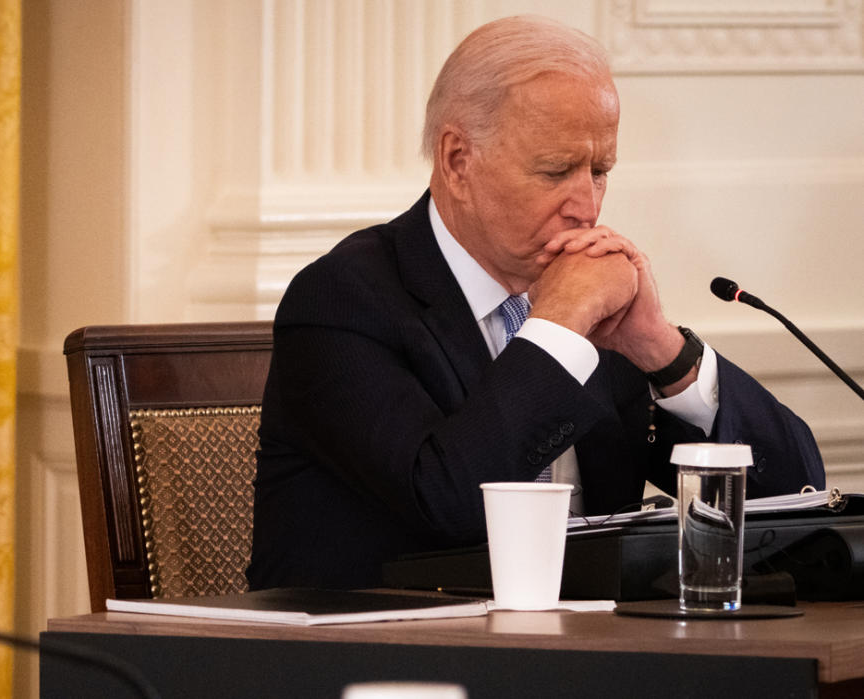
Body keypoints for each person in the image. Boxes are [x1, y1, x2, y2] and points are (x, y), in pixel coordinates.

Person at [246, 15, 825, 590]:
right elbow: (449, 505)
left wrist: (661, 350)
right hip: (384, 660)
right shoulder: (343, 301)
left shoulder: (592, 304)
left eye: (600, 171)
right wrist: (558, 327)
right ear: (457, 161)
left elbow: (797, 498)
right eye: (556, 171)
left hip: (589, 656)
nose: (587, 206)